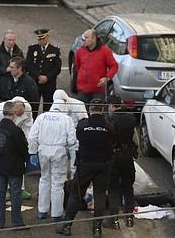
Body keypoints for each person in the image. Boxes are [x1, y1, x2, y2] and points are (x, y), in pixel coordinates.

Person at [56, 99, 114, 237]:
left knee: (76, 195)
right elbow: (113, 141)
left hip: (85, 165)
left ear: (90, 110)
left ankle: (67, 226)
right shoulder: (109, 126)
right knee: (99, 195)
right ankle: (97, 229)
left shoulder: (83, 124)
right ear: (102, 110)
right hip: (103, 165)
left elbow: (78, 138)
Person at [28, 103, 77, 222]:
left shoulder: (42, 117)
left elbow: (32, 136)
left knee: (44, 179)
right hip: (59, 151)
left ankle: (42, 211)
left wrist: (32, 151)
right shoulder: (66, 119)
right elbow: (72, 140)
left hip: (43, 150)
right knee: (58, 183)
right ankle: (56, 213)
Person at [0, 102, 29, 230]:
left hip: (0, 165)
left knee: (0, 194)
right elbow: (23, 148)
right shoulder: (16, 130)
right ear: (13, 113)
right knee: (15, 194)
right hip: (14, 166)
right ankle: (16, 222)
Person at [104, 94, 137, 229]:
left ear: (111, 105)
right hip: (128, 155)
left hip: (114, 156)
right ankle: (129, 216)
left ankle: (114, 218)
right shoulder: (131, 118)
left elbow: (106, 140)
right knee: (128, 187)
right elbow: (135, 138)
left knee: (113, 187)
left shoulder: (109, 119)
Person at [0, 96, 34, 199]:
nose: (19, 114)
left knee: (19, 164)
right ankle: (6, 190)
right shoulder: (1, 109)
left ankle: (20, 189)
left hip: (17, 135)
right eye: (17, 112)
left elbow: (28, 126)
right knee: (5, 165)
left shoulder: (28, 108)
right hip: (4, 138)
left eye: (21, 112)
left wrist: (28, 141)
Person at [73, 29, 118, 103]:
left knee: (96, 113)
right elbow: (77, 67)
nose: (84, 40)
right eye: (84, 37)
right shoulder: (80, 51)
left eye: (87, 38)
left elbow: (114, 66)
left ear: (94, 38)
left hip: (98, 92)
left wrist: (107, 78)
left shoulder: (105, 51)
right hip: (82, 91)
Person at [26, 29, 62, 116]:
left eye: (43, 39)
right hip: (35, 82)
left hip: (49, 84)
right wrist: (38, 76)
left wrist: (47, 77)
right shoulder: (32, 49)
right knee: (34, 106)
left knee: (48, 106)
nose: (41, 41)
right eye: (39, 39)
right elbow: (28, 65)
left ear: (47, 38)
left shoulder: (54, 50)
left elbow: (57, 68)